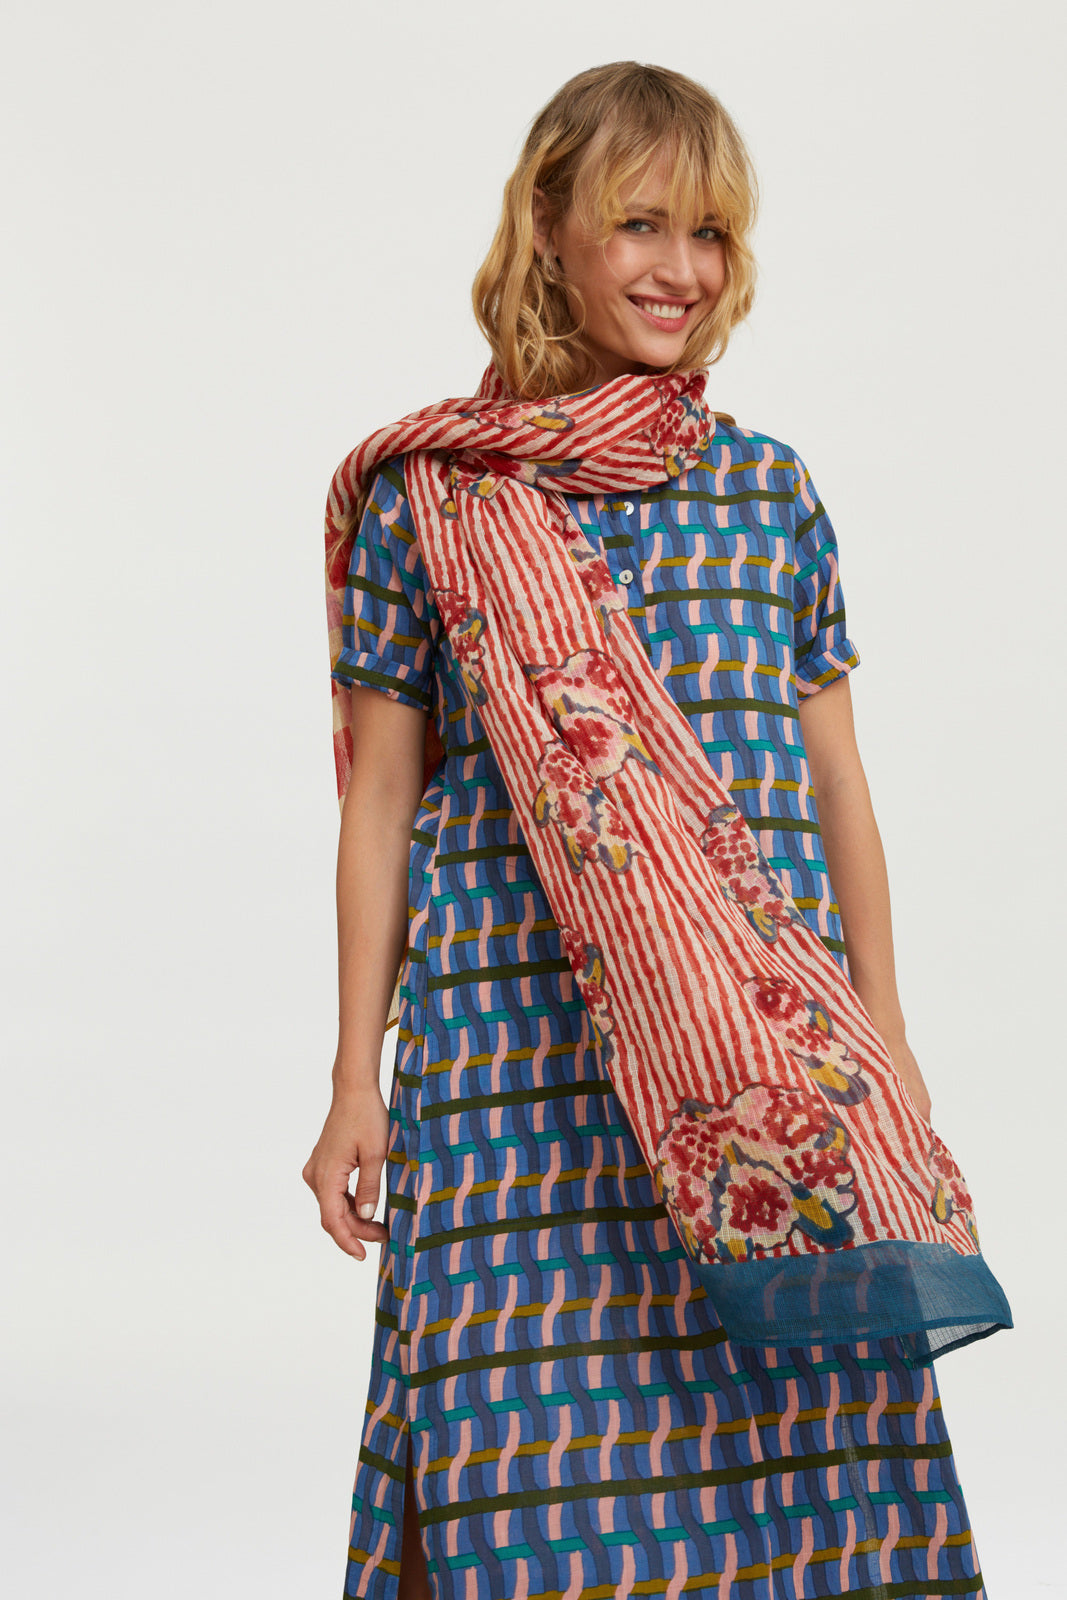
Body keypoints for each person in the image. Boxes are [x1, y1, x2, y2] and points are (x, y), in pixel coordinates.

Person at [303, 61, 991, 1600]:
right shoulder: (439, 500)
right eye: (639, 223)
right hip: (513, 1066)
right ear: (549, 229)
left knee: (797, 1438)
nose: (682, 268)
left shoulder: (769, 493)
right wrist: (354, 1076)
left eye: (712, 233)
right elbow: (382, 804)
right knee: (522, 1445)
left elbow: (839, 791)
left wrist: (884, 1032)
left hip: (756, 1071)